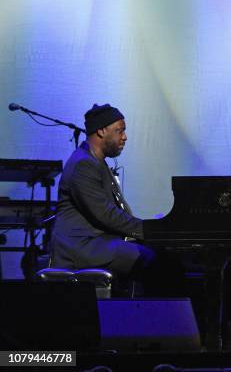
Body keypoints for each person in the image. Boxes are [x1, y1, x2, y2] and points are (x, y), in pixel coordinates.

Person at [50, 103, 183, 296]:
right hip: (83, 248)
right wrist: (149, 230)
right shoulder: (83, 165)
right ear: (102, 131)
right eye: (120, 131)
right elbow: (106, 215)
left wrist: (150, 230)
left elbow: (114, 213)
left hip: (98, 243)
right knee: (156, 264)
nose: (125, 137)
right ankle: (165, 322)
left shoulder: (96, 162)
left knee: (165, 257)